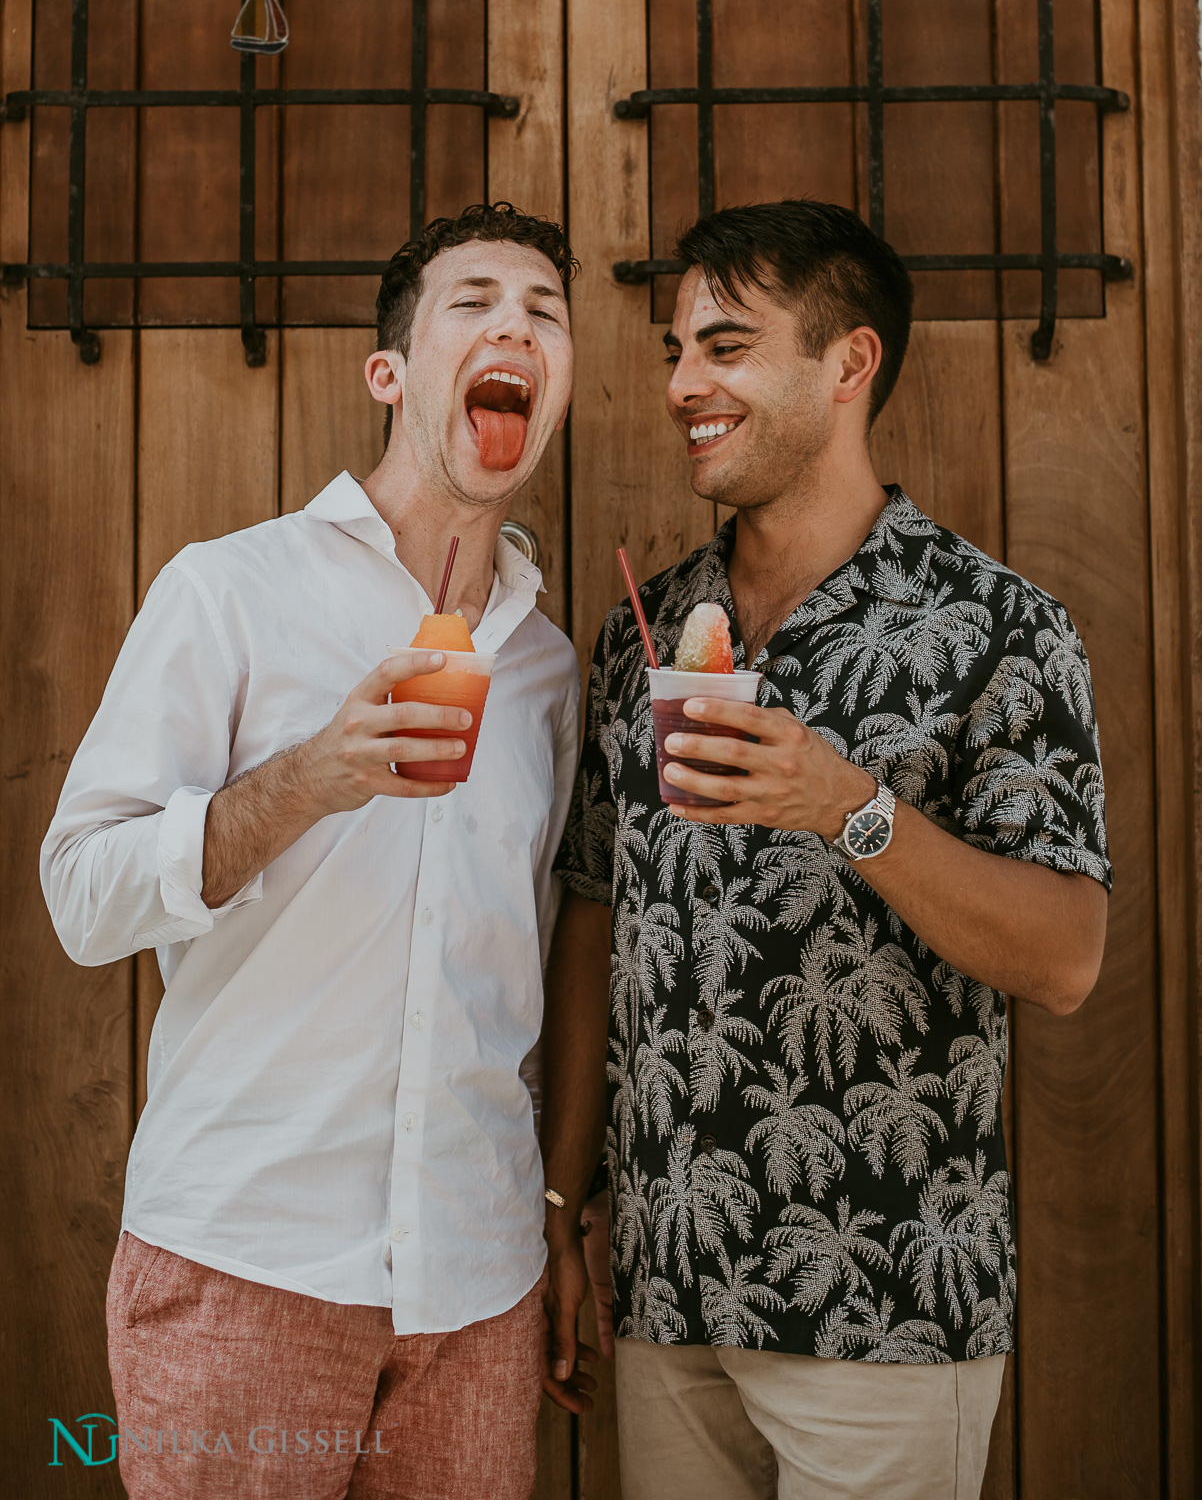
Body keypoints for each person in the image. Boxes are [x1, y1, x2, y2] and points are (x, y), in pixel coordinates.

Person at [539, 199, 1110, 1500]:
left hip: (886, 1307)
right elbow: (593, 918)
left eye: (726, 347)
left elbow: (1064, 957)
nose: (684, 383)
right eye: (677, 350)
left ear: (847, 365)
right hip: (664, 1292)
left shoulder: (999, 629)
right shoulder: (642, 634)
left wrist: (850, 807)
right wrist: (564, 1209)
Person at [42, 201, 580, 1500]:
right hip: (244, 1262)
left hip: (478, 1285)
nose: (515, 321)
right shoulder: (229, 592)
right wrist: (307, 781)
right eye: (474, 301)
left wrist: (553, 1222)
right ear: (388, 374)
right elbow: (84, 896)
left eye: (544, 311)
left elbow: (530, 969)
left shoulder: (550, 671)